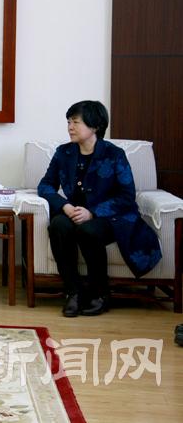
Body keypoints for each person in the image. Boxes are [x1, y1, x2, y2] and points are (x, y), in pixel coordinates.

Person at [39, 100, 161, 317]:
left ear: (95, 126)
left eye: (76, 122)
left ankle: (100, 294)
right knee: (58, 225)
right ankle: (74, 292)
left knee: (88, 230)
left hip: (110, 216)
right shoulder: (63, 153)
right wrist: (64, 206)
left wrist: (92, 212)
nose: (70, 127)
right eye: (68, 122)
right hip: (74, 211)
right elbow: (45, 185)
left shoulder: (114, 154)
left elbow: (126, 196)